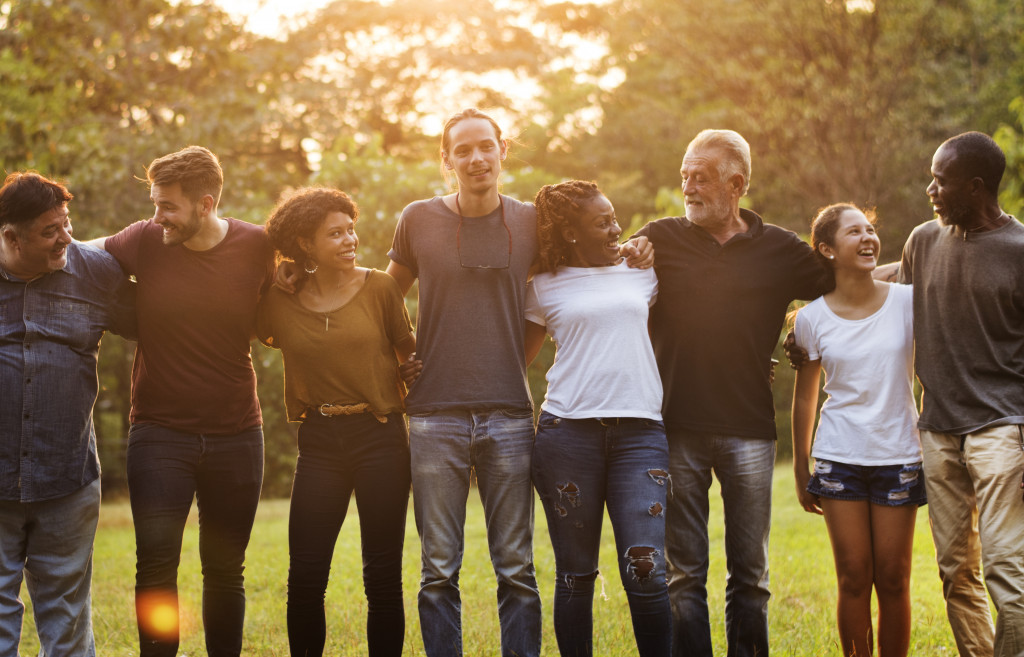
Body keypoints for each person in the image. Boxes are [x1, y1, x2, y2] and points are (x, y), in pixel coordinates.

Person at [383, 107, 652, 657]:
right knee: (438, 570)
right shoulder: (417, 219)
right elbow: (384, 298)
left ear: (503, 150)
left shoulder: (533, 222)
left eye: (486, 146)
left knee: (517, 568)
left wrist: (644, 246)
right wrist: (402, 354)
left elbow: (591, 250)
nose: (476, 158)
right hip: (433, 415)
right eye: (463, 150)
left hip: (509, 414)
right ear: (447, 160)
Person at [634, 129, 830, 657]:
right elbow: (608, 284)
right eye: (685, 177)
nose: (689, 187)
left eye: (701, 178)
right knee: (684, 574)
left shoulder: (781, 249)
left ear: (736, 184)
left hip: (749, 430)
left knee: (752, 575)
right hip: (674, 428)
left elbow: (850, 285)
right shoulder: (660, 238)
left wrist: (919, 272)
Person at [95, 146, 275, 656]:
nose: (158, 218)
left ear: (206, 202)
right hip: (159, 434)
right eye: (155, 204)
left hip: (238, 434)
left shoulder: (257, 246)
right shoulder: (146, 240)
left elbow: (291, 296)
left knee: (224, 569)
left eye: (168, 207)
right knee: (155, 564)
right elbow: (78, 253)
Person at [257, 187, 415, 657]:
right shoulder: (279, 300)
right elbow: (235, 287)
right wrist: (275, 272)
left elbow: (410, 353)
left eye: (351, 229)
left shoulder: (381, 289)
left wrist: (413, 371)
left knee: (382, 574)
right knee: (305, 574)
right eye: (335, 233)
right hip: (320, 440)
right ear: (305, 245)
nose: (350, 240)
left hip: (380, 436)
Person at [891, 132, 1024, 657]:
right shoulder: (923, 240)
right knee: (955, 572)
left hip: (1003, 429)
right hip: (939, 431)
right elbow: (889, 299)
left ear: (975, 187)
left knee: (1007, 574)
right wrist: (806, 321)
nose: (930, 189)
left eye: (940, 181)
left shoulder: (1019, 252)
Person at [524, 180, 670, 656]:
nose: (616, 228)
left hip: (641, 434)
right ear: (570, 233)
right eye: (602, 222)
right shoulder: (542, 286)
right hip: (567, 435)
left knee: (646, 570)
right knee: (575, 575)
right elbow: (515, 363)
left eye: (615, 218)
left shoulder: (642, 271)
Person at [0, 172, 134, 656]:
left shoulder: (96, 273)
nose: (65, 238)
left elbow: (166, 318)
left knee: (67, 618)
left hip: (67, 477)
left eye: (67, 223)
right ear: (10, 237)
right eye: (49, 231)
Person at [790, 203, 924, 657]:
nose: (868, 237)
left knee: (892, 577)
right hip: (839, 458)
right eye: (854, 232)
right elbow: (806, 396)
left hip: (900, 455)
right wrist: (800, 467)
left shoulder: (907, 302)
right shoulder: (811, 319)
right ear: (827, 249)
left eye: (871, 229)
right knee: (852, 576)